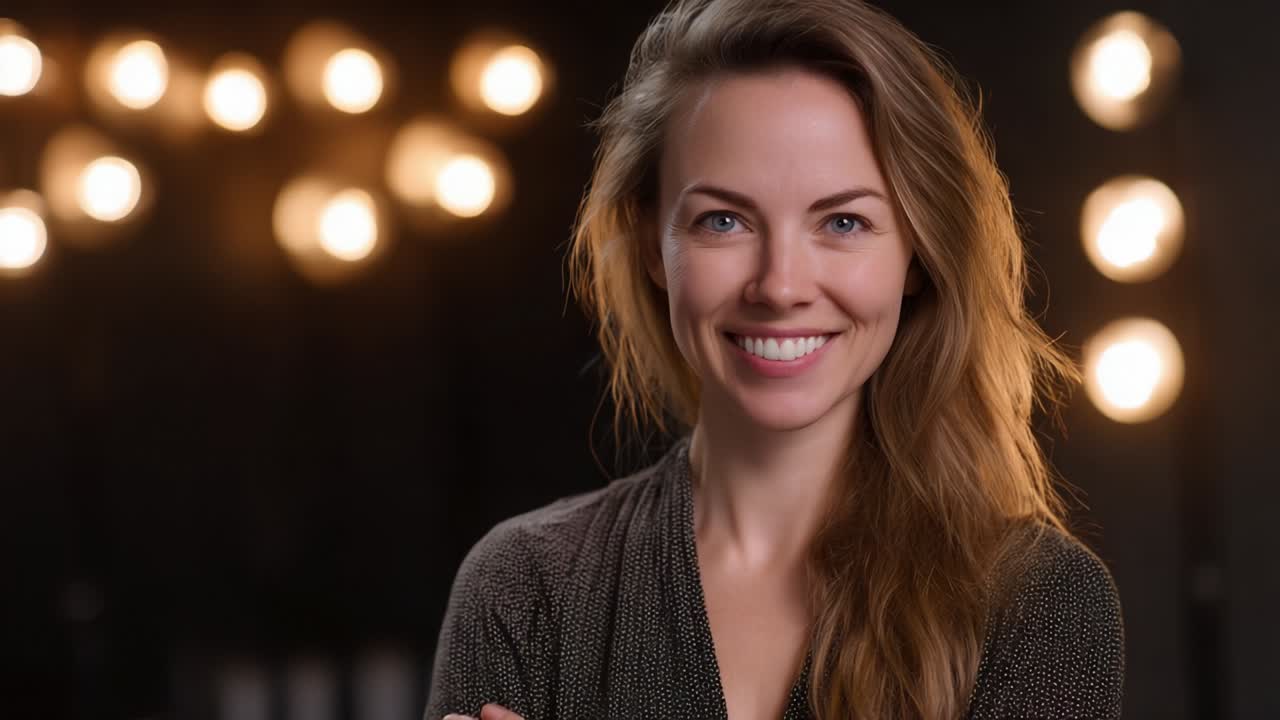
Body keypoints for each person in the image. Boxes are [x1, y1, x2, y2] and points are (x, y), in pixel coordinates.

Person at [424, 0, 1125, 718]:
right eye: (722, 221)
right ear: (649, 244)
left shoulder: (1036, 602)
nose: (780, 286)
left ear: (917, 253)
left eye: (843, 222)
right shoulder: (526, 588)